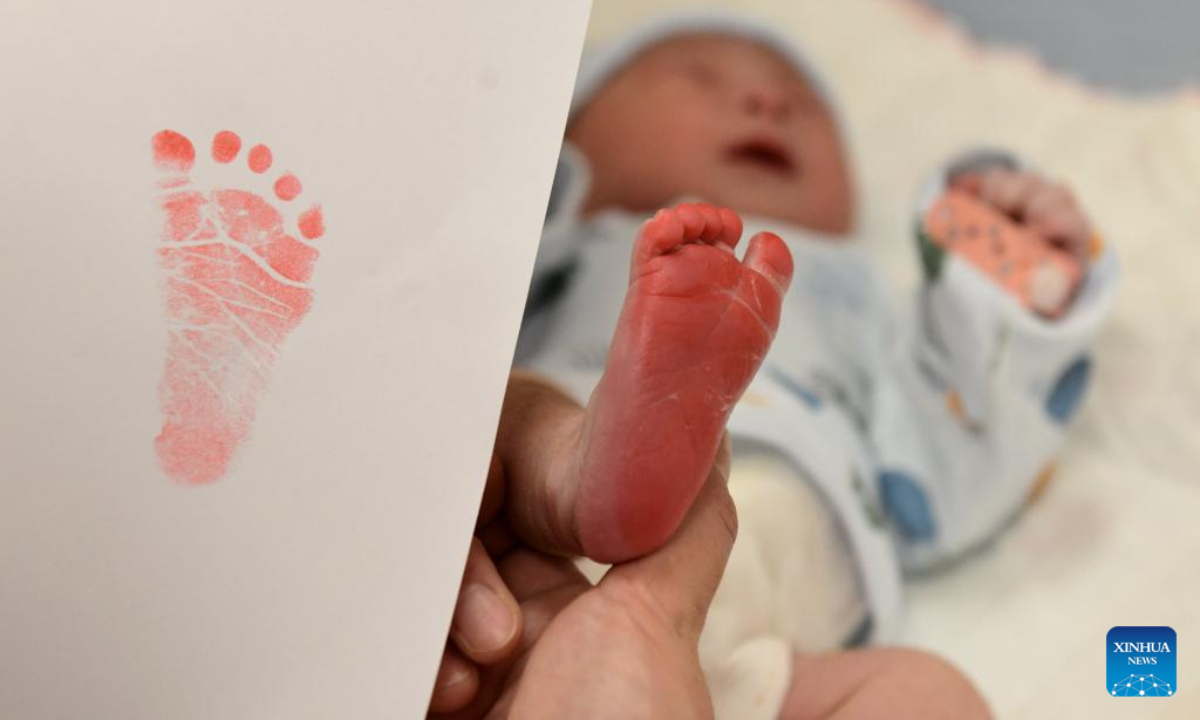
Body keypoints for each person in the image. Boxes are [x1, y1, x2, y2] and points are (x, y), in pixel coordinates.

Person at [506, 10, 1117, 719]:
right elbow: (447, 310)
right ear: (573, 130)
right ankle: (613, 466)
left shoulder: (861, 300)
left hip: (757, 651)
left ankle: (641, 491)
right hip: (543, 564)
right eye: (699, 76)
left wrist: (1000, 286)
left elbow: (951, 451)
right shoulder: (563, 246)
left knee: (926, 696)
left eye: (800, 99)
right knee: (514, 425)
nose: (769, 102)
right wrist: (527, 157)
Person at [427, 370, 992, 719]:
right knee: (928, 698)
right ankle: (572, 464)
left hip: (530, 608)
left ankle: (570, 465)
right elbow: (971, 420)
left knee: (488, 421)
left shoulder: (561, 247)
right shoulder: (857, 293)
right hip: (686, 657)